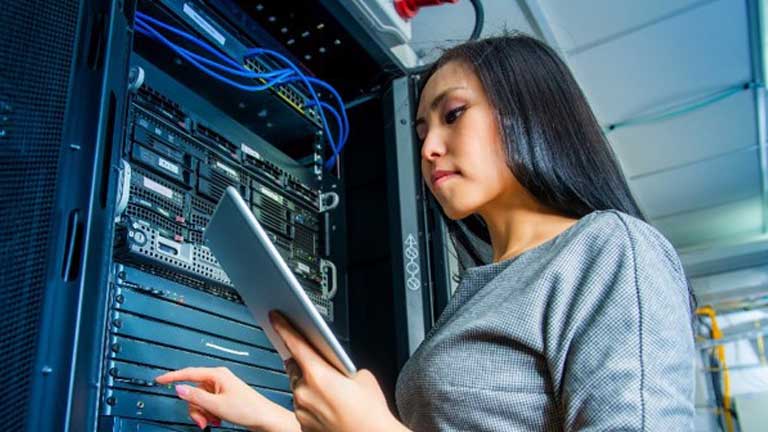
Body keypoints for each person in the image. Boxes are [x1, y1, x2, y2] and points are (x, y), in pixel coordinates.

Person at [156, 34, 695, 431]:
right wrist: (277, 420)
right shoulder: (482, 290)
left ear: (532, 113)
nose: (429, 148)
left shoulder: (609, 250)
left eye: (453, 114)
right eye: (420, 132)